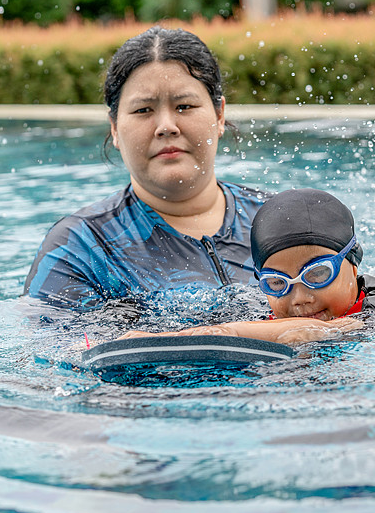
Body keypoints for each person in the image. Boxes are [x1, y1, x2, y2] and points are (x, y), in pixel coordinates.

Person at [24, 27, 269, 310]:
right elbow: (54, 349)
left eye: (185, 106)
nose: (166, 126)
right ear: (114, 127)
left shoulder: (280, 219)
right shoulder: (81, 247)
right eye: (143, 110)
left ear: (219, 115)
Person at [120, 189, 375, 345]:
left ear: (352, 266)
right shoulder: (255, 310)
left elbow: (313, 330)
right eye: (278, 284)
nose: (300, 297)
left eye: (317, 274)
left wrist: (211, 335)